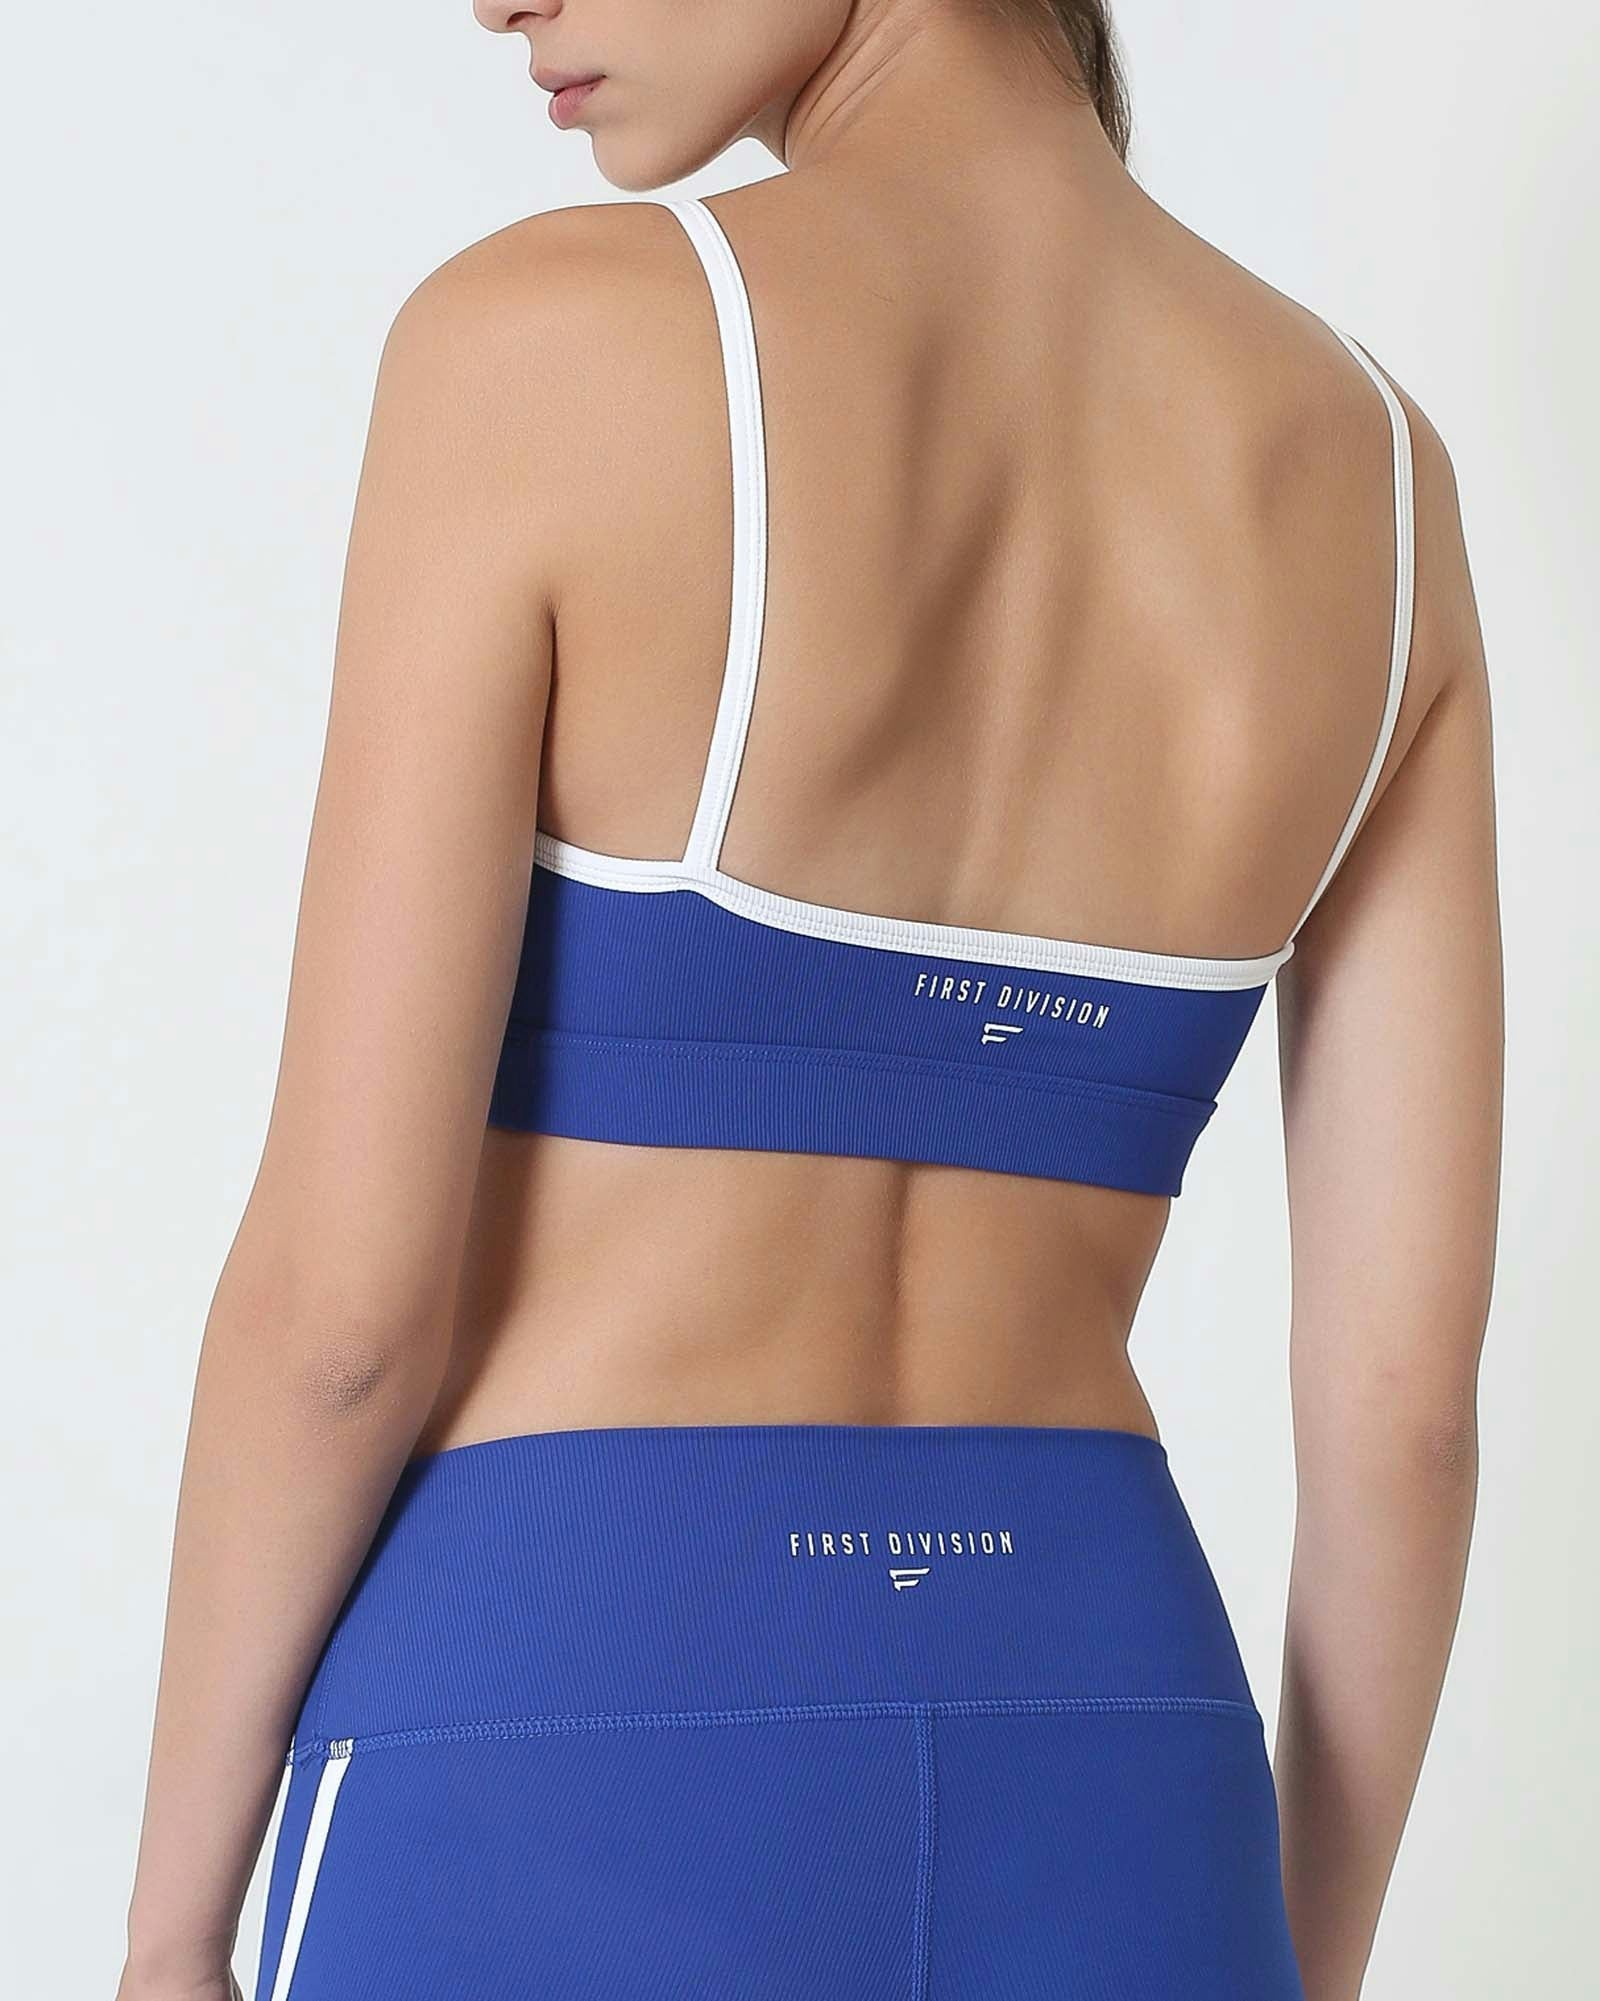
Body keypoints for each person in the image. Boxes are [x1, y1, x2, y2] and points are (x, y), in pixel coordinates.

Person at [116, 3, 1502, 1998]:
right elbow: (1401, 1418)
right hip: (1116, 1745)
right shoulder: (1375, 478)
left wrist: (168, 1936)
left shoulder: (550, 344)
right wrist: (1293, 1960)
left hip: (563, 1722)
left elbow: (344, 1313)